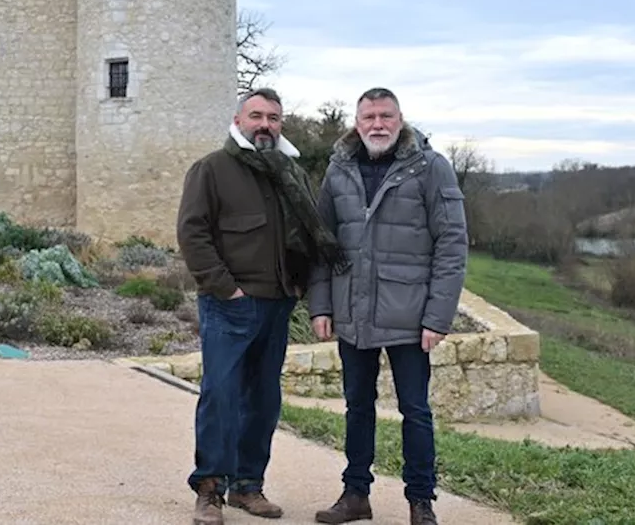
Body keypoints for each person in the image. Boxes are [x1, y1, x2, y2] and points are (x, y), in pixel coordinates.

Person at [177, 87, 344, 525]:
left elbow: (307, 234)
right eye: (256, 115)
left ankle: (249, 487)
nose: (264, 124)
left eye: (273, 117)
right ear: (238, 121)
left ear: (280, 124)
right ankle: (211, 489)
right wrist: (225, 289)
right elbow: (193, 233)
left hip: (277, 304)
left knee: (264, 400)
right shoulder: (212, 169)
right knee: (221, 397)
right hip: (230, 305)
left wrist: (300, 288)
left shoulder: (290, 172)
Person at [307, 87, 468, 525]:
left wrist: (437, 316)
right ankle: (355, 493)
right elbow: (322, 244)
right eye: (369, 117)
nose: (377, 124)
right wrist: (321, 306)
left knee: (414, 410)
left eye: (385, 116)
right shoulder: (338, 169)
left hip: (410, 316)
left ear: (400, 119)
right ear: (356, 123)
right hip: (354, 313)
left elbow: (452, 245)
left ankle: (421, 502)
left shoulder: (431, 168)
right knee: (357, 407)